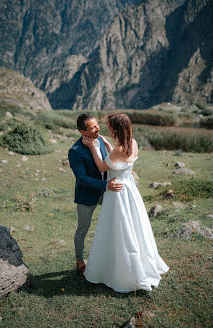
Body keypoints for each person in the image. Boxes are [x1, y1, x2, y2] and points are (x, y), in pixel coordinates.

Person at [82, 113, 169, 293]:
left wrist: (92, 148)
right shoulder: (133, 143)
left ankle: (118, 270)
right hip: (130, 189)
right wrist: (107, 145)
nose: (108, 129)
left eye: (110, 126)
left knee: (118, 228)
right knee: (135, 227)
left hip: (117, 192)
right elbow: (119, 160)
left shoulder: (118, 150)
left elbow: (102, 167)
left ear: (116, 129)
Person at [68, 113, 123, 276]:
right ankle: (79, 260)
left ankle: (113, 257)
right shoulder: (75, 151)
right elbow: (82, 178)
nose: (98, 128)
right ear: (83, 132)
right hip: (87, 196)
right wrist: (106, 185)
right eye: (92, 127)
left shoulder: (99, 140)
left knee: (115, 222)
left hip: (107, 192)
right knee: (83, 229)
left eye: (97, 124)